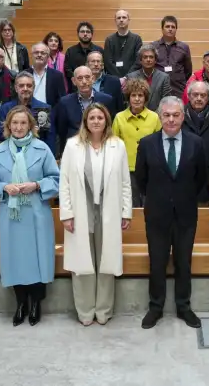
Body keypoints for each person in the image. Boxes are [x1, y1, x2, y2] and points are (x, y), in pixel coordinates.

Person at [135, 96, 208, 329]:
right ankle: (155, 307)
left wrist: (184, 197)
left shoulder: (196, 143)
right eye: (166, 115)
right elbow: (141, 179)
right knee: (157, 263)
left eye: (176, 115)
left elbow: (202, 177)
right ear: (159, 116)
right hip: (157, 214)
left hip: (186, 215)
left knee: (183, 262)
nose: (171, 119)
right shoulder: (147, 143)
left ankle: (183, 307)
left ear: (183, 116)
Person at [0, 106, 60, 327]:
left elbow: (56, 180)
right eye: (14, 123)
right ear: (8, 126)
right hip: (11, 215)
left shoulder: (42, 149)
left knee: (37, 257)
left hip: (36, 212)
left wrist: (36, 185)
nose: (18, 127)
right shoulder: (0, 151)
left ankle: (36, 303)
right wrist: (4, 187)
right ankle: (20, 303)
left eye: (23, 123)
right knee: (15, 258)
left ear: (30, 126)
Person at [60, 103, 132, 326]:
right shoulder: (72, 145)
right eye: (92, 117)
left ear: (106, 120)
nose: (96, 121)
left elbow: (125, 182)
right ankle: (85, 311)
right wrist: (66, 214)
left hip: (109, 211)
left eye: (100, 117)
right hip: (81, 212)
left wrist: (126, 212)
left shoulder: (117, 145)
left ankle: (103, 310)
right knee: (83, 263)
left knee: (106, 262)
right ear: (85, 121)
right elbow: (64, 182)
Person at [112, 78, 161, 207]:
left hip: (150, 169)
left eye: (140, 95)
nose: (137, 99)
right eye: (133, 95)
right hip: (127, 169)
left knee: (149, 205)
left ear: (145, 98)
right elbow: (113, 145)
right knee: (130, 206)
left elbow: (160, 144)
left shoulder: (154, 117)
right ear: (128, 98)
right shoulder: (119, 117)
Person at [54, 66, 115, 156]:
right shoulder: (64, 102)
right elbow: (62, 131)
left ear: (93, 79)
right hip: (74, 152)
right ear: (74, 81)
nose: (84, 81)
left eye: (87, 77)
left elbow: (109, 127)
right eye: (80, 78)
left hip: (100, 150)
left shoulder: (106, 100)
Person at [181, 81, 209, 205]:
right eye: (195, 95)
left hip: (207, 173)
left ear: (208, 97)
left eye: (203, 95)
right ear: (189, 96)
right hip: (182, 171)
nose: (199, 98)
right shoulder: (179, 115)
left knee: (204, 208)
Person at [0, 72, 55, 155]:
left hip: (38, 154)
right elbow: (0, 135)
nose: (25, 88)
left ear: (33, 87)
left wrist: (49, 156)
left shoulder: (44, 108)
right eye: (21, 86)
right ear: (16, 88)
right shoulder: (6, 109)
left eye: (29, 85)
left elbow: (49, 138)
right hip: (11, 153)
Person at [153, 15, 192, 97]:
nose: (170, 29)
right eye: (167, 26)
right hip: (158, 89)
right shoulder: (153, 46)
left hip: (178, 90)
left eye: (173, 27)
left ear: (176, 29)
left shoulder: (184, 47)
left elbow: (188, 71)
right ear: (162, 29)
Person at [126, 44, 172, 111]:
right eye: (145, 57)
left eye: (151, 57)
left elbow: (166, 101)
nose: (148, 60)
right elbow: (128, 101)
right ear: (140, 60)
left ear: (155, 60)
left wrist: (154, 115)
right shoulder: (131, 77)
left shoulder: (164, 77)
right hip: (137, 114)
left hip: (157, 115)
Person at [23, 42, 67, 107]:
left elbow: (61, 99)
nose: (39, 55)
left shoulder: (57, 75)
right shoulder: (23, 75)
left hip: (50, 112)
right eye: (36, 52)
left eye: (43, 53)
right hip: (27, 111)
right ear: (31, 55)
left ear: (48, 56)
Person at [64, 22, 103, 91]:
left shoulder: (99, 50)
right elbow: (68, 70)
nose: (85, 34)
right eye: (82, 31)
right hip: (76, 89)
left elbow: (102, 69)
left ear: (91, 34)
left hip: (97, 87)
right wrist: (81, 79)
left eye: (88, 32)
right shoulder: (70, 51)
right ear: (78, 34)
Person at [103, 9, 143, 77]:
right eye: (119, 18)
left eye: (124, 17)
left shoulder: (137, 39)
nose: (121, 20)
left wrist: (127, 77)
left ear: (128, 20)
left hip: (132, 78)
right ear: (115, 21)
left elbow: (138, 61)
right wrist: (119, 78)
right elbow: (108, 62)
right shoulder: (109, 40)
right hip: (114, 78)